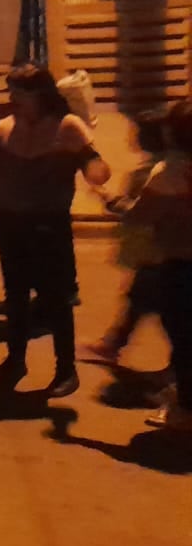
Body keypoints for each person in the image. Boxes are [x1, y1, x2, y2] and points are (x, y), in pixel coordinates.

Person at [0, 64, 111, 397]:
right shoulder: (4, 126)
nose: (14, 98)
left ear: (41, 94)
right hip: (10, 221)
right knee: (16, 296)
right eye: (11, 90)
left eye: (21, 91)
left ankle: (66, 369)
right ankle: (15, 359)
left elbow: (93, 162)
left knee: (55, 299)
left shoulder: (66, 126)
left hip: (48, 222)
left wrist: (95, 174)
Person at [119, 100, 192, 430]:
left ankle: (185, 411)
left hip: (182, 264)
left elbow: (140, 216)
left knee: (184, 339)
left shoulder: (171, 172)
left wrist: (117, 204)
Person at [85, 108, 170, 366]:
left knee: (156, 304)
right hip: (159, 251)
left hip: (158, 250)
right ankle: (113, 343)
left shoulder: (152, 173)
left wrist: (109, 199)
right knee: (140, 300)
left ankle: (114, 344)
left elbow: (137, 211)